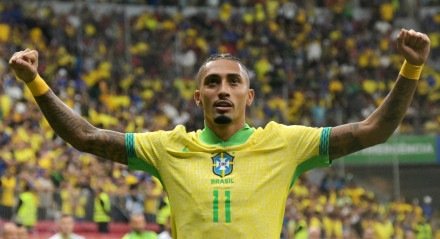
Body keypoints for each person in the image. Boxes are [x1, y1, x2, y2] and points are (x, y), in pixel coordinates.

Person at [8, 28, 430, 239]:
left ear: (249, 95)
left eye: (232, 82)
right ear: (197, 97)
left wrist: (411, 69)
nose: (222, 90)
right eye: (212, 83)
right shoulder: (168, 147)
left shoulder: (286, 142)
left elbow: (375, 129)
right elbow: (86, 136)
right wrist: (35, 83)